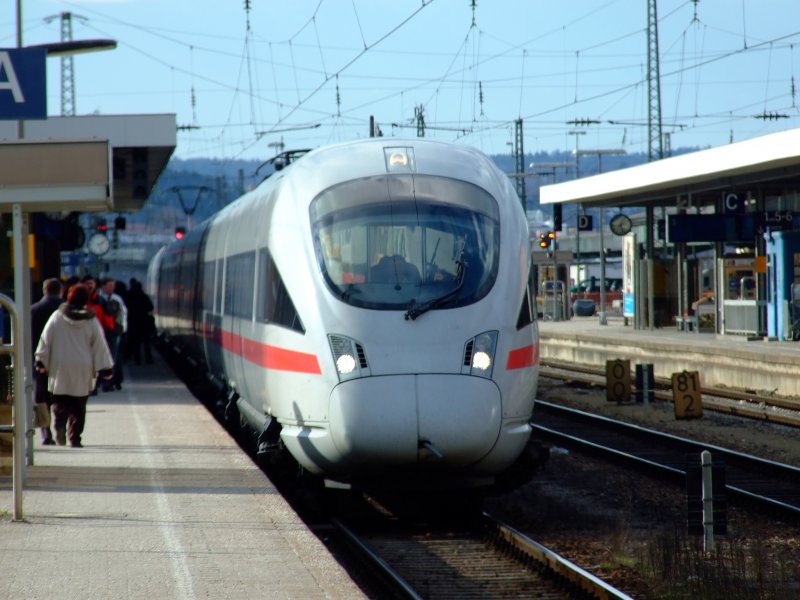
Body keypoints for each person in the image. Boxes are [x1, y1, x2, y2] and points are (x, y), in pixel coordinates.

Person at [34, 284, 113, 448]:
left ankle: (59, 425)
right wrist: (106, 367)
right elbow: (99, 344)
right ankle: (75, 438)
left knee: (60, 401)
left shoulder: (57, 316)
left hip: (60, 365)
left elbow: (45, 339)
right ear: (87, 299)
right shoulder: (91, 320)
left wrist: (40, 360)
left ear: (68, 297)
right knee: (79, 405)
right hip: (83, 367)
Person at [30, 278, 64, 445]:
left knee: (41, 398)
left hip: (38, 362)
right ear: (61, 291)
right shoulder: (67, 311)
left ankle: (45, 433)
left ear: (44, 290)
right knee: (61, 396)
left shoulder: (33, 310)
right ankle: (60, 426)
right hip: (62, 361)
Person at [98, 277, 127, 391]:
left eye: (113, 286)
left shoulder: (117, 299)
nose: (112, 288)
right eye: (110, 285)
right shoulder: (98, 299)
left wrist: (122, 329)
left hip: (114, 333)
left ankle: (111, 381)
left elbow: (123, 315)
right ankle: (102, 381)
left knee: (113, 358)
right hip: (100, 332)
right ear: (103, 286)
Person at [125, 278, 155, 365]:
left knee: (136, 342)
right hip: (144, 322)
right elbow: (150, 307)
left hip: (133, 322)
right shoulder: (144, 296)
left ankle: (137, 360)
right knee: (146, 342)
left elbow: (125, 307)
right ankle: (148, 359)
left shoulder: (129, 296)